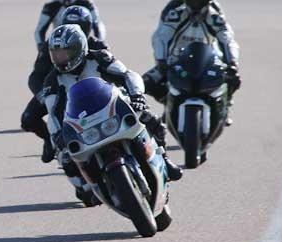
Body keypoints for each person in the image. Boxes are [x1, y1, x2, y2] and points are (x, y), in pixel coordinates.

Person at [37, 25, 183, 206]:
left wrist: (137, 96)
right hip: (83, 122)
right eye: (56, 53)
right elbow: (53, 112)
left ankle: (165, 160)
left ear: (79, 48)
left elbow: (128, 75)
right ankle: (89, 186)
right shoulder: (52, 80)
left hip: (114, 108)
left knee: (148, 118)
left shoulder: (100, 58)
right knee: (65, 156)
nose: (60, 58)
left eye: (65, 52)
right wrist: (58, 136)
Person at [21, 5, 105, 162]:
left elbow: (115, 73)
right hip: (57, 87)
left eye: (80, 27)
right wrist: (45, 96)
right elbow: (35, 76)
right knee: (28, 119)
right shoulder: (52, 45)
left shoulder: (97, 45)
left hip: (91, 90)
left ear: (87, 27)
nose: (74, 31)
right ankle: (50, 141)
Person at [144, 0, 241, 105]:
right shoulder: (176, 15)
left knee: (234, 79)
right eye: (192, 0)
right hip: (177, 61)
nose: (196, 4)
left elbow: (228, 39)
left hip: (208, 62)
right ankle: (169, 103)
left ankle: (223, 105)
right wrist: (161, 61)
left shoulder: (215, 17)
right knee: (145, 83)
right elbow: (160, 37)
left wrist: (232, 62)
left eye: (201, 0)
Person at [29, 0, 106, 95]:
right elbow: (39, 30)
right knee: (48, 73)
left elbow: (98, 24)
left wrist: (100, 42)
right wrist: (43, 50)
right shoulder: (51, 6)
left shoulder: (87, 3)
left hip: (84, 44)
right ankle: (50, 97)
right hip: (59, 46)